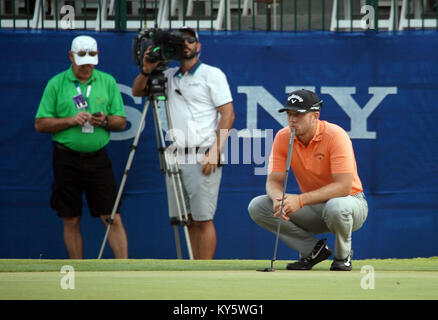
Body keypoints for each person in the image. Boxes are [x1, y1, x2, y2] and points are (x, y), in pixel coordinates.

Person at [132, 27, 235, 259]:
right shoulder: (167, 75)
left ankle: (205, 274)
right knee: (186, 219)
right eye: (181, 41)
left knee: (203, 218)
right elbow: (137, 91)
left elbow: (228, 114)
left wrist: (215, 152)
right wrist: (147, 69)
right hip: (175, 157)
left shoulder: (212, 74)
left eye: (190, 40)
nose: (186, 44)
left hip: (202, 156)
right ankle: (192, 268)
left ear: (198, 46)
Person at [248, 89, 368, 271]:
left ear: (315, 116)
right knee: (258, 206)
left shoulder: (335, 135)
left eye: (298, 115)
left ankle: (343, 257)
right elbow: (273, 181)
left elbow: (343, 187)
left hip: (351, 203)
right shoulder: (283, 137)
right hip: (314, 207)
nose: (292, 119)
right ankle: (313, 250)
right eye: (289, 114)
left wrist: (300, 200)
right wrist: (278, 199)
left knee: (336, 206)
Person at [35, 35, 128, 259]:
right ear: (71, 57)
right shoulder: (56, 83)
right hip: (66, 159)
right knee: (71, 217)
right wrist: (70, 120)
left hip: (98, 158)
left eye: (91, 60)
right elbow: (40, 124)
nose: (87, 66)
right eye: (82, 60)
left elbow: (121, 121)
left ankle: (125, 270)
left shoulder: (107, 81)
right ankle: (78, 271)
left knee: (111, 216)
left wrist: (104, 120)